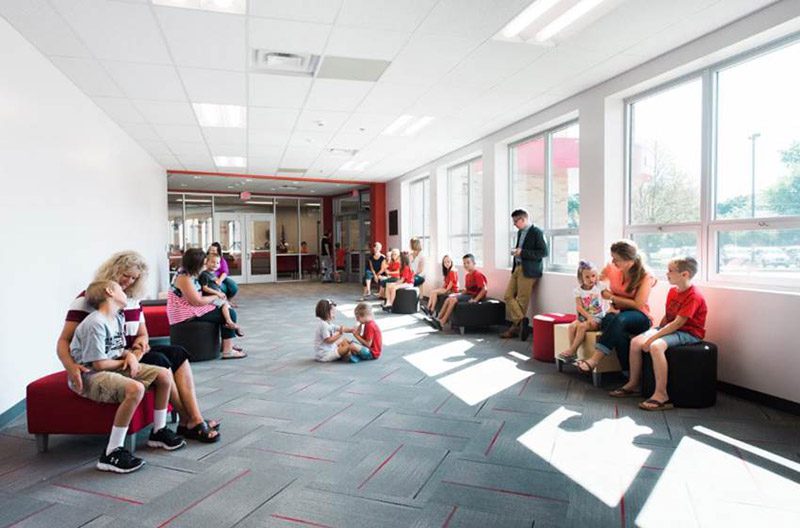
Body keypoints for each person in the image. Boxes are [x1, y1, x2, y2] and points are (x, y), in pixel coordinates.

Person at [57, 251, 220, 443]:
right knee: (161, 361)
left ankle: (194, 418)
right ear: (113, 271)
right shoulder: (89, 299)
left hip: (130, 353)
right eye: (125, 275)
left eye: (134, 278)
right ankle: (190, 420)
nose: (129, 282)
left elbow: (143, 334)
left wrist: (138, 349)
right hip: (109, 357)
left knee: (178, 353)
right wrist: (70, 365)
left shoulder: (131, 300)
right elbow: (64, 340)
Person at [70, 280, 185, 473]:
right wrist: (128, 360)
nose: (125, 292)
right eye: (120, 289)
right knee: (136, 388)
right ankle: (111, 452)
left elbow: (116, 348)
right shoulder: (95, 322)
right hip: (90, 374)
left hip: (110, 365)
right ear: (109, 292)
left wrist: (129, 354)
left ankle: (158, 432)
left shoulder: (117, 317)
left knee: (164, 375)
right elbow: (98, 363)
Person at [609, 257, 707, 411]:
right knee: (636, 342)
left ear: (685, 274)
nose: (666, 273)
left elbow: (678, 324)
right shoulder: (672, 291)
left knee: (655, 346)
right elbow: (669, 317)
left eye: (670, 271)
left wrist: (653, 338)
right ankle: (633, 384)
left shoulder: (693, 296)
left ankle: (661, 395)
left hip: (689, 332)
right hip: (671, 328)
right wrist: (654, 331)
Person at [575, 240, 655, 374]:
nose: (613, 261)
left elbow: (638, 304)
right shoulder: (611, 268)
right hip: (618, 314)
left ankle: (594, 360)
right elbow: (595, 281)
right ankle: (628, 373)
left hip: (640, 316)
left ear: (628, 260)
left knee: (618, 319)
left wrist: (612, 297)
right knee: (611, 324)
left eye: (616, 259)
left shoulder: (645, 276)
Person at [170, 248, 246, 359]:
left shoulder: (188, 273)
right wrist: (215, 296)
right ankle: (228, 350)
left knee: (224, 308)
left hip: (188, 308)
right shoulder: (184, 278)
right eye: (204, 263)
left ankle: (226, 344)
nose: (205, 266)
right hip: (184, 313)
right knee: (229, 313)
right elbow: (197, 301)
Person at [501, 209, 548, 340]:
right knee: (508, 296)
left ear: (524, 219)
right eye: (514, 221)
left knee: (522, 301)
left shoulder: (536, 232)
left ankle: (514, 329)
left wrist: (522, 252)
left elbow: (543, 252)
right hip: (518, 268)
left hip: (529, 270)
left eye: (516, 221)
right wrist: (517, 252)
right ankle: (522, 322)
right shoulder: (520, 232)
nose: (514, 224)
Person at [557, 261, 608, 362]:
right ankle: (573, 353)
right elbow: (579, 307)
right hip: (584, 317)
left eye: (593, 276)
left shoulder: (599, 286)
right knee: (571, 326)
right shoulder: (578, 291)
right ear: (581, 278)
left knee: (582, 327)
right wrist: (588, 317)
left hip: (597, 318)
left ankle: (572, 350)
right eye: (587, 277)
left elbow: (609, 292)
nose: (591, 279)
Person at [432, 254, 487, 330]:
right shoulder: (467, 275)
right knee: (449, 298)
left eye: (468, 263)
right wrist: (460, 293)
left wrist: (475, 300)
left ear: (474, 263)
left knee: (453, 300)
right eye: (464, 263)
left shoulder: (477, 274)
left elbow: (484, 289)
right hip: (468, 295)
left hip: (474, 297)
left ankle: (442, 322)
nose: (466, 265)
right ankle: (438, 318)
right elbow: (469, 290)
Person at [199, 253, 243, 336]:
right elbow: (204, 288)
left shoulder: (213, 274)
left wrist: (221, 293)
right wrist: (217, 293)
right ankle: (229, 322)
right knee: (225, 305)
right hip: (210, 297)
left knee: (227, 305)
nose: (215, 265)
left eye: (218, 263)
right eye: (213, 262)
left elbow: (216, 286)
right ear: (206, 262)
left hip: (217, 296)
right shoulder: (204, 274)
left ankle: (231, 325)